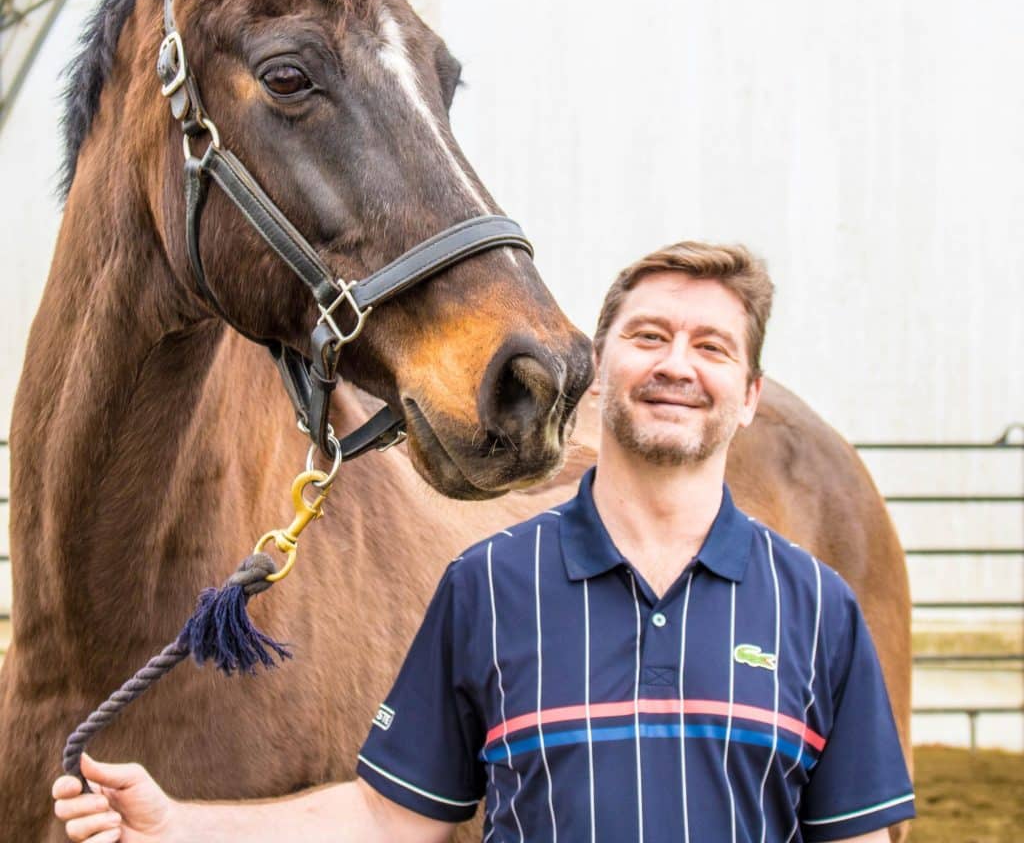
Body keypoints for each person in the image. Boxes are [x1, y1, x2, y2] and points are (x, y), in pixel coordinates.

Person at [53, 242, 914, 843]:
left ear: (750, 393)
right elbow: (390, 817)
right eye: (648, 337)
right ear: (595, 363)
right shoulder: (488, 587)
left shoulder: (818, 608)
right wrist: (181, 825)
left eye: (712, 347)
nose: (677, 365)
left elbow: (861, 834)